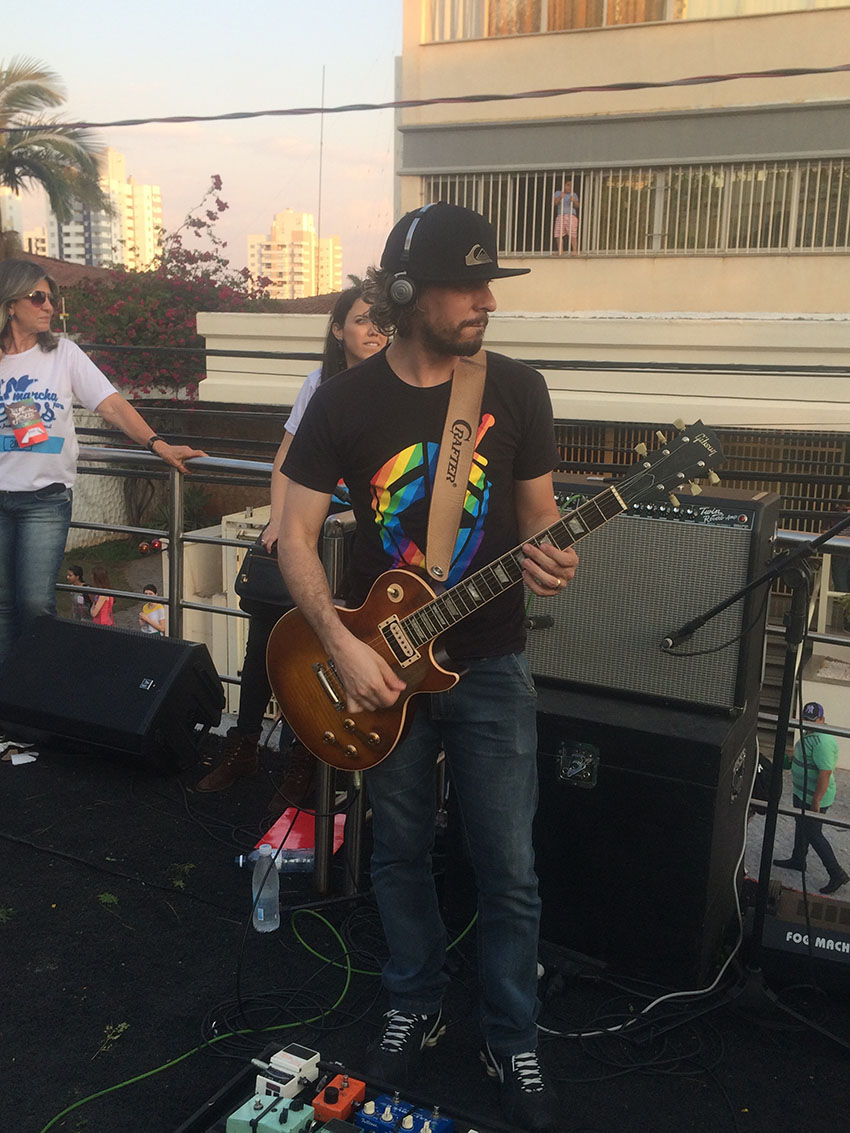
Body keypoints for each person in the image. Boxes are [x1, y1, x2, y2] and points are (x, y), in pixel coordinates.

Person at [277, 203, 577, 1132]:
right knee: (399, 850)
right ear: (406, 293)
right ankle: (415, 998)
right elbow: (292, 533)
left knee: (510, 865)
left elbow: (539, 512)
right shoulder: (343, 402)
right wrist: (340, 645)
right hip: (377, 666)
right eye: (467, 285)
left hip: (490, 662)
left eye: (490, 284)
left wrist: (553, 551)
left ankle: (512, 1033)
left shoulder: (516, 388)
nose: (488, 301)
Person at [197, 281, 387, 800]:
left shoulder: (399, 382)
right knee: (267, 632)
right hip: (310, 527)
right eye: (362, 320)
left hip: (361, 538)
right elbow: (287, 455)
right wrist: (279, 520)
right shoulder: (320, 383)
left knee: (332, 643)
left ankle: (307, 759)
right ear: (338, 330)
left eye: (382, 321)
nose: (374, 330)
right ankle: (245, 744)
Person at [0, 260, 205, 667]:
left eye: (51, 298)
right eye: (38, 298)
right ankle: (9, 696)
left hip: (45, 500)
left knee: (36, 604)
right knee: (3, 606)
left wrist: (157, 444)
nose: (49, 306)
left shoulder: (63, 354)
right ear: (9, 304)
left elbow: (111, 405)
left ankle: (39, 692)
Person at [774, 701, 849, 895]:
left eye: (812, 720)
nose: (807, 723)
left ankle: (836, 873)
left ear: (822, 719)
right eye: (805, 719)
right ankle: (798, 859)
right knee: (802, 826)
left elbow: (825, 773)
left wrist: (816, 801)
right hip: (802, 793)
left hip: (813, 797)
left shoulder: (823, 741)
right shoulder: (809, 734)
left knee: (814, 834)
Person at [553, 178, 579, 256]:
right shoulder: (558, 193)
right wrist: (560, 197)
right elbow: (555, 203)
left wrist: (574, 201)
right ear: (563, 185)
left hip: (571, 215)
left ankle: (574, 251)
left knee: (572, 233)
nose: (569, 187)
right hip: (561, 215)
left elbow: (577, 206)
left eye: (571, 186)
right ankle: (560, 251)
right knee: (558, 233)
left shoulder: (573, 194)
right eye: (568, 185)